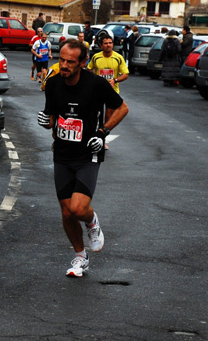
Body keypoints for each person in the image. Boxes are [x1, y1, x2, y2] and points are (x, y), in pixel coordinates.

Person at [37, 38, 129, 277]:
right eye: (62, 60)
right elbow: (51, 118)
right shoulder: (54, 83)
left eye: (70, 62)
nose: (64, 65)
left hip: (89, 153)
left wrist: (103, 132)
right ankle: (80, 257)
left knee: (78, 208)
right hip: (62, 154)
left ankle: (92, 222)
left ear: (83, 63)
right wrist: (45, 122)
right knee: (66, 213)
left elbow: (122, 108)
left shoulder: (96, 84)